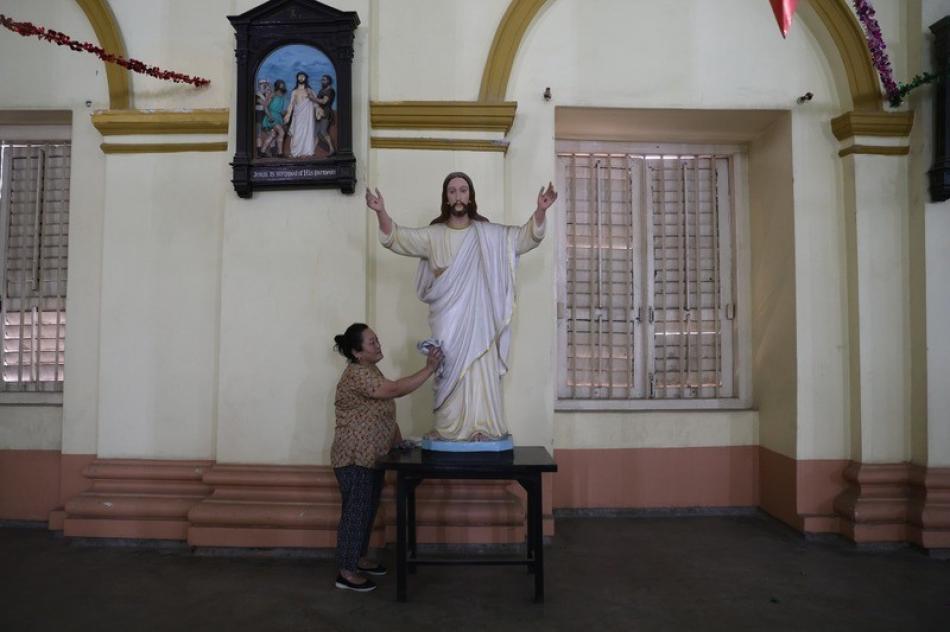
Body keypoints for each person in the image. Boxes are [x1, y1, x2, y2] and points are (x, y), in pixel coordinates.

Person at [365, 173, 558, 442]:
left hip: (480, 319)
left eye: (463, 190)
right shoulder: (434, 235)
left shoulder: (488, 234)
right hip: (446, 320)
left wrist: (541, 210)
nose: (458, 196)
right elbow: (398, 238)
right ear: (446, 197)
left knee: (480, 369)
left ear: (470, 196)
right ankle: (447, 428)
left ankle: (482, 427)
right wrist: (381, 212)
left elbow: (522, 238)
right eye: (453, 191)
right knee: (447, 369)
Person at [331, 323, 443, 592]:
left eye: (377, 340)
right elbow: (393, 390)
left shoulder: (370, 370)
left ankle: (357, 559)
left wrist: (398, 442)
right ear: (357, 352)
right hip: (355, 458)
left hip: (372, 457)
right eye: (372, 342)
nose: (378, 345)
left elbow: (383, 412)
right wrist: (429, 368)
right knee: (356, 513)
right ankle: (346, 572)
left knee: (367, 510)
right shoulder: (357, 374)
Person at [285, 71, 319, 158]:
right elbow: (291, 104)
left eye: (303, 77)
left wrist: (318, 110)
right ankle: (294, 152)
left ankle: (307, 151)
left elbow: (315, 102)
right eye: (299, 77)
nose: (301, 78)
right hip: (298, 114)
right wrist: (288, 115)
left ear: (306, 78)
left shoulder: (310, 91)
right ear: (297, 78)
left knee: (308, 132)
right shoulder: (294, 91)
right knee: (297, 132)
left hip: (308, 116)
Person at [259, 79, 287, 158]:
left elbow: (279, 108)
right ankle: (280, 153)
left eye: (283, 84)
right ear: (277, 85)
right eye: (281, 84)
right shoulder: (272, 94)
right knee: (281, 132)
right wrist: (270, 116)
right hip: (271, 116)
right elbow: (265, 106)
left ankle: (262, 151)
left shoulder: (282, 96)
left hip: (278, 117)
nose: (282, 86)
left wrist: (283, 113)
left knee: (272, 135)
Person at [314, 74, 336, 156]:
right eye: (322, 80)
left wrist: (312, 98)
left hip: (326, 113)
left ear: (328, 81)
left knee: (323, 131)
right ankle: (312, 151)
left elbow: (324, 101)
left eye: (324, 80)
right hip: (319, 113)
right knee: (317, 133)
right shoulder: (321, 90)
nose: (322, 81)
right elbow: (318, 101)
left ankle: (332, 149)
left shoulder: (330, 91)